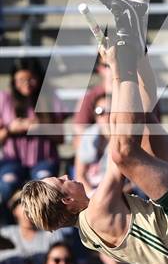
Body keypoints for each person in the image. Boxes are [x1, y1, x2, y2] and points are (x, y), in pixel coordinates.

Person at [21, 0, 168, 264]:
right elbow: (120, 154)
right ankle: (129, 41)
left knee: (144, 125)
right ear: (66, 200)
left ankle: (135, 32)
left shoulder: (88, 230)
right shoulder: (97, 213)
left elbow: (128, 126)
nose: (67, 176)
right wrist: (117, 71)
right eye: (62, 182)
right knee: (123, 151)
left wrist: (120, 67)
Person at [0, 58, 66, 207]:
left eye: (31, 79)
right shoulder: (4, 99)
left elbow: (61, 138)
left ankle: (44, 224)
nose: (26, 84)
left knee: (45, 186)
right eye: (21, 80)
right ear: (13, 80)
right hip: (12, 160)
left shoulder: (50, 98)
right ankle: (8, 224)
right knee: (6, 184)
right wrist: (11, 129)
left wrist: (40, 128)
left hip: (44, 159)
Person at [73, 52, 113, 150]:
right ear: (99, 68)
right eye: (107, 65)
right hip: (99, 154)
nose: (113, 69)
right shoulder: (89, 97)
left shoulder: (137, 96)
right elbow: (79, 137)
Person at [74, 93, 110, 196]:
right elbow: (80, 175)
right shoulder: (87, 136)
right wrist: (92, 195)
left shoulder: (124, 138)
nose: (106, 116)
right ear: (95, 115)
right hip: (90, 190)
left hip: (118, 192)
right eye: (100, 111)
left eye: (110, 111)